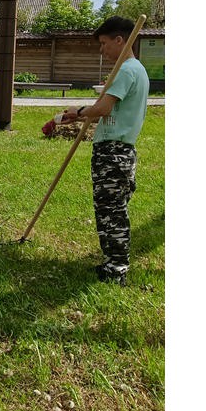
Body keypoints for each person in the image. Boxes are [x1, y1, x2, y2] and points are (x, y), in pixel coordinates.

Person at [58, 16, 149, 286]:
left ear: (120, 40)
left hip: (113, 152)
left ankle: (116, 270)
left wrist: (78, 112)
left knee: (111, 213)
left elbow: (104, 108)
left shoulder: (127, 70)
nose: (102, 50)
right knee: (113, 211)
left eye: (104, 43)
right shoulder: (137, 70)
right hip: (122, 151)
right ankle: (113, 263)